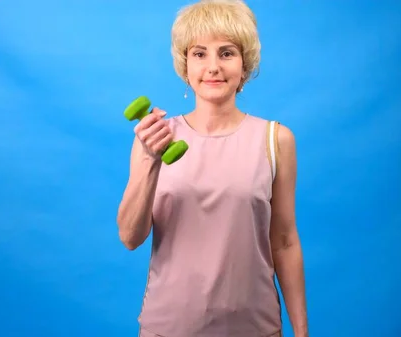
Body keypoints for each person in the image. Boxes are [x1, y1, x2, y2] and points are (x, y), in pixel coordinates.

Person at [116, 1, 308, 336]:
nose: (213, 67)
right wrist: (149, 161)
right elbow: (130, 238)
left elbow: (285, 241)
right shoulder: (155, 139)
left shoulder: (276, 140)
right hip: (169, 327)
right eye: (200, 54)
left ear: (244, 65)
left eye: (227, 53)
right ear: (185, 65)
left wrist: (302, 332)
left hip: (255, 327)